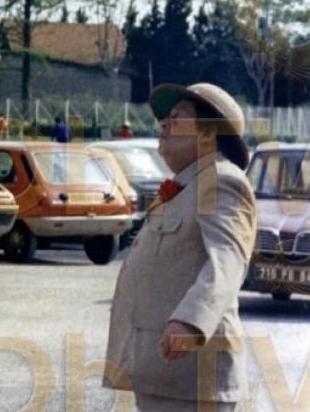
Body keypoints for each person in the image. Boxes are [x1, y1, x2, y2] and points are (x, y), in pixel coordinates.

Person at [105, 83, 257, 411]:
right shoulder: (187, 186)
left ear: (208, 133)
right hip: (166, 374)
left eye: (177, 117)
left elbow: (228, 261)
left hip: (195, 378)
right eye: (165, 118)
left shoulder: (220, 180)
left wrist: (191, 321)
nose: (164, 124)